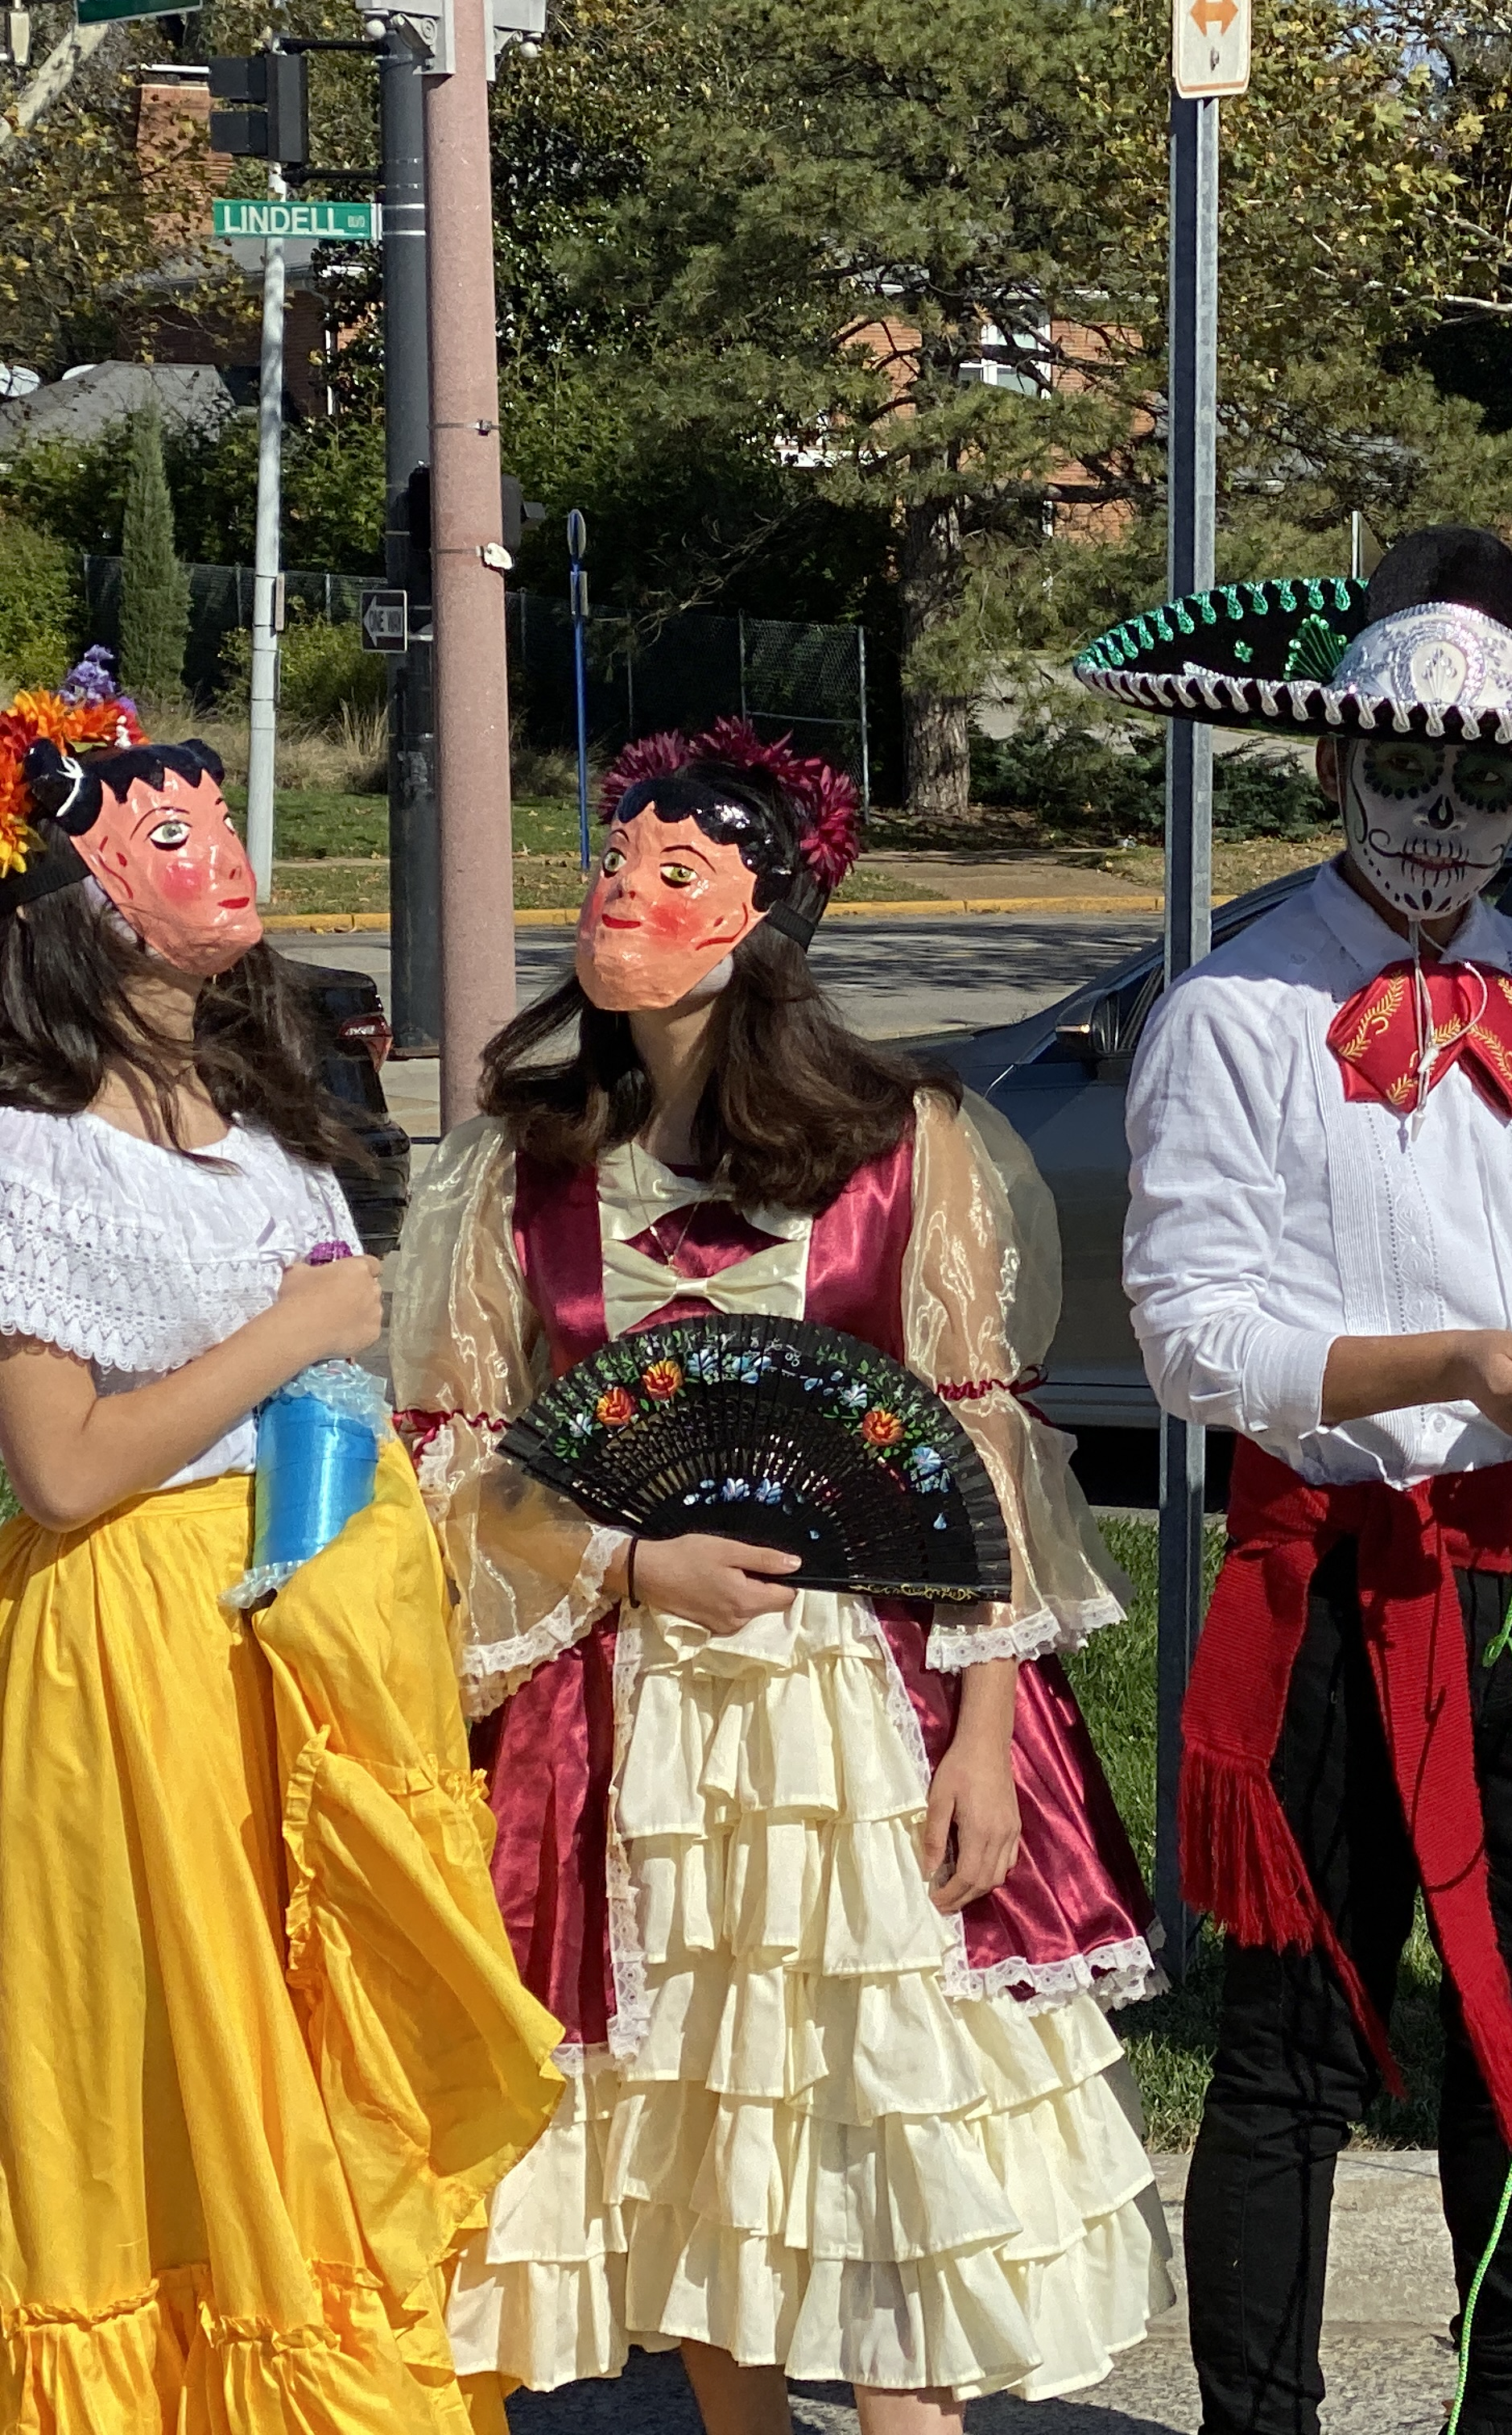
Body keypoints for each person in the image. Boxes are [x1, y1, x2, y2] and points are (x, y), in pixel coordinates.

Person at [1076, 527, 1512, 2435]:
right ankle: (1261, 2415)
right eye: (1407, 768)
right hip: (1318, 1575)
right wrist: (1433, 1368)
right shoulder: (1234, 1008)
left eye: (1489, 777)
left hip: (1511, 1569)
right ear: (1331, 769)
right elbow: (1186, 1334)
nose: (1446, 813)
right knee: (1298, 2029)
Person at [384, 718, 1169, 2432]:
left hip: (863, 1721)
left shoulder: (906, 1144)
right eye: (615, 860)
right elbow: (453, 1458)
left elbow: (974, 1448)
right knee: (694, 2137)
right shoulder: (508, 1172)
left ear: (759, 926)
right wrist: (624, 1554)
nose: (621, 892)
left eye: (677, 871)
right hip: (635, 1722)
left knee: (896, 2134)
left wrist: (984, 1735)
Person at [0, 665, 563, 2433]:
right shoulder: (27, 1159)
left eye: (224, 822)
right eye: (177, 836)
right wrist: (299, 1326)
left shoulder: (268, 1138)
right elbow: (63, 1470)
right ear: (86, 915)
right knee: (176, 2070)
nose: (227, 857)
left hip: (305, 1648)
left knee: (313, 2057)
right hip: (140, 1654)